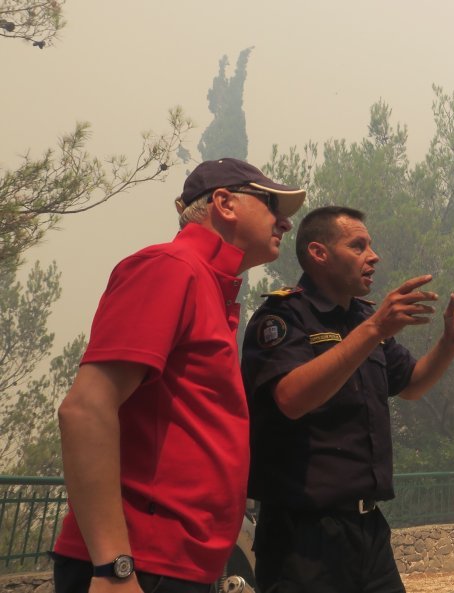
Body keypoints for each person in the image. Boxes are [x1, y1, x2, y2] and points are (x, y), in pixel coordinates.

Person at [52, 158, 306, 593]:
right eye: (269, 202)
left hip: (178, 567)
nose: (283, 221)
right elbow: (85, 409)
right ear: (224, 202)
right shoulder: (170, 267)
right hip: (140, 566)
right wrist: (114, 567)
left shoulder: (210, 285)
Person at [241, 206, 454, 593]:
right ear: (319, 254)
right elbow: (290, 398)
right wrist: (373, 329)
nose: (374, 256)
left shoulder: (362, 319)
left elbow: (411, 385)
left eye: (370, 245)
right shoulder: (283, 316)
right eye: (358, 246)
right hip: (302, 540)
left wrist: (448, 344)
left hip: (368, 531)